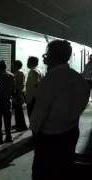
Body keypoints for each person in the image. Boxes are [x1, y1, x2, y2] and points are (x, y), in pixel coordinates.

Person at [30, 40, 90, 180]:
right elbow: (83, 103)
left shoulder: (49, 80)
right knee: (64, 169)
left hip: (49, 139)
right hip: (71, 132)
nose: (45, 57)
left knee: (43, 173)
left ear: (53, 56)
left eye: (47, 54)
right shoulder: (79, 79)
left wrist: (35, 131)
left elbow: (39, 114)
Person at [0, 61, 15, 143]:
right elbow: (13, 88)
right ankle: (8, 136)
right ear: (6, 66)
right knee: (7, 120)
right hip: (7, 100)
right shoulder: (11, 76)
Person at [13, 60, 28, 131]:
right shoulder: (18, 73)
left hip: (18, 94)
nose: (12, 66)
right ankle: (18, 124)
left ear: (16, 65)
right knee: (17, 110)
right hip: (18, 93)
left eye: (14, 64)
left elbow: (19, 85)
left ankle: (22, 126)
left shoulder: (19, 73)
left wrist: (17, 94)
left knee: (19, 111)